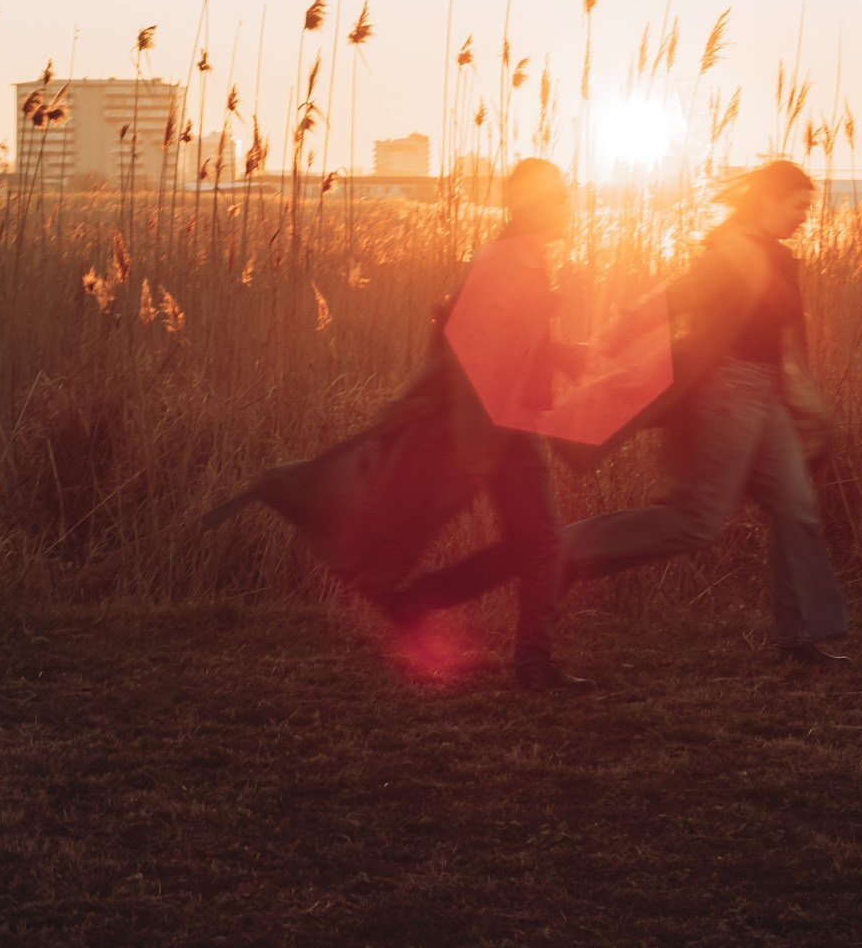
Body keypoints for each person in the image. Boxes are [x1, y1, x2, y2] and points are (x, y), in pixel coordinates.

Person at [204, 158, 590, 691]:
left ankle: (435, 612)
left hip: (502, 422)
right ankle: (519, 659)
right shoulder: (506, 262)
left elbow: (510, 342)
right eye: (558, 196)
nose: (567, 204)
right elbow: (473, 351)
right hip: (490, 424)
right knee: (540, 541)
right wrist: (477, 443)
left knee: (537, 541)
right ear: (532, 206)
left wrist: (564, 356)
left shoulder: (523, 258)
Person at [560, 159, 852, 664]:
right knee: (698, 522)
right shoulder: (733, 251)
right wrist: (617, 334)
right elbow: (675, 297)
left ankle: (800, 637)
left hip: (769, 392)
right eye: (798, 206)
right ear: (769, 200)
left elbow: (786, 339)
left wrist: (803, 398)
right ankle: (564, 554)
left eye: (809, 208)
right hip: (731, 387)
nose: (805, 217)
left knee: (797, 509)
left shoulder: (783, 259)